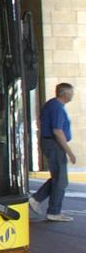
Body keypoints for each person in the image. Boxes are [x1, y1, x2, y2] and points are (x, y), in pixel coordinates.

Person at [32, 83, 77, 222]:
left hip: (50, 143)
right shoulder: (57, 107)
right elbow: (57, 131)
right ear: (65, 93)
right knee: (61, 180)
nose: (73, 94)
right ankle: (54, 211)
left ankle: (36, 199)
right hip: (54, 144)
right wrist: (69, 152)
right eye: (71, 92)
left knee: (58, 178)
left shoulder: (52, 105)